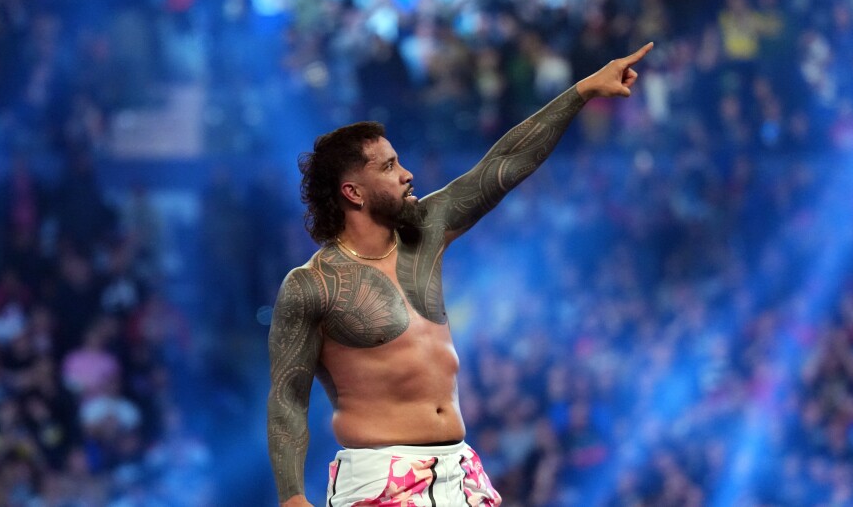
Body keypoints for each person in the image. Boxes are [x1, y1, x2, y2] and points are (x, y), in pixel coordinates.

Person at [267, 42, 655, 507]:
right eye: (389, 167)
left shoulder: (424, 233)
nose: (407, 174)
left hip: (461, 471)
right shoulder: (312, 286)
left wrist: (582, 91)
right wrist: (291, 498)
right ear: (354, 192)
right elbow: (288, 397)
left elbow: (502, 165)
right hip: (380, 479)